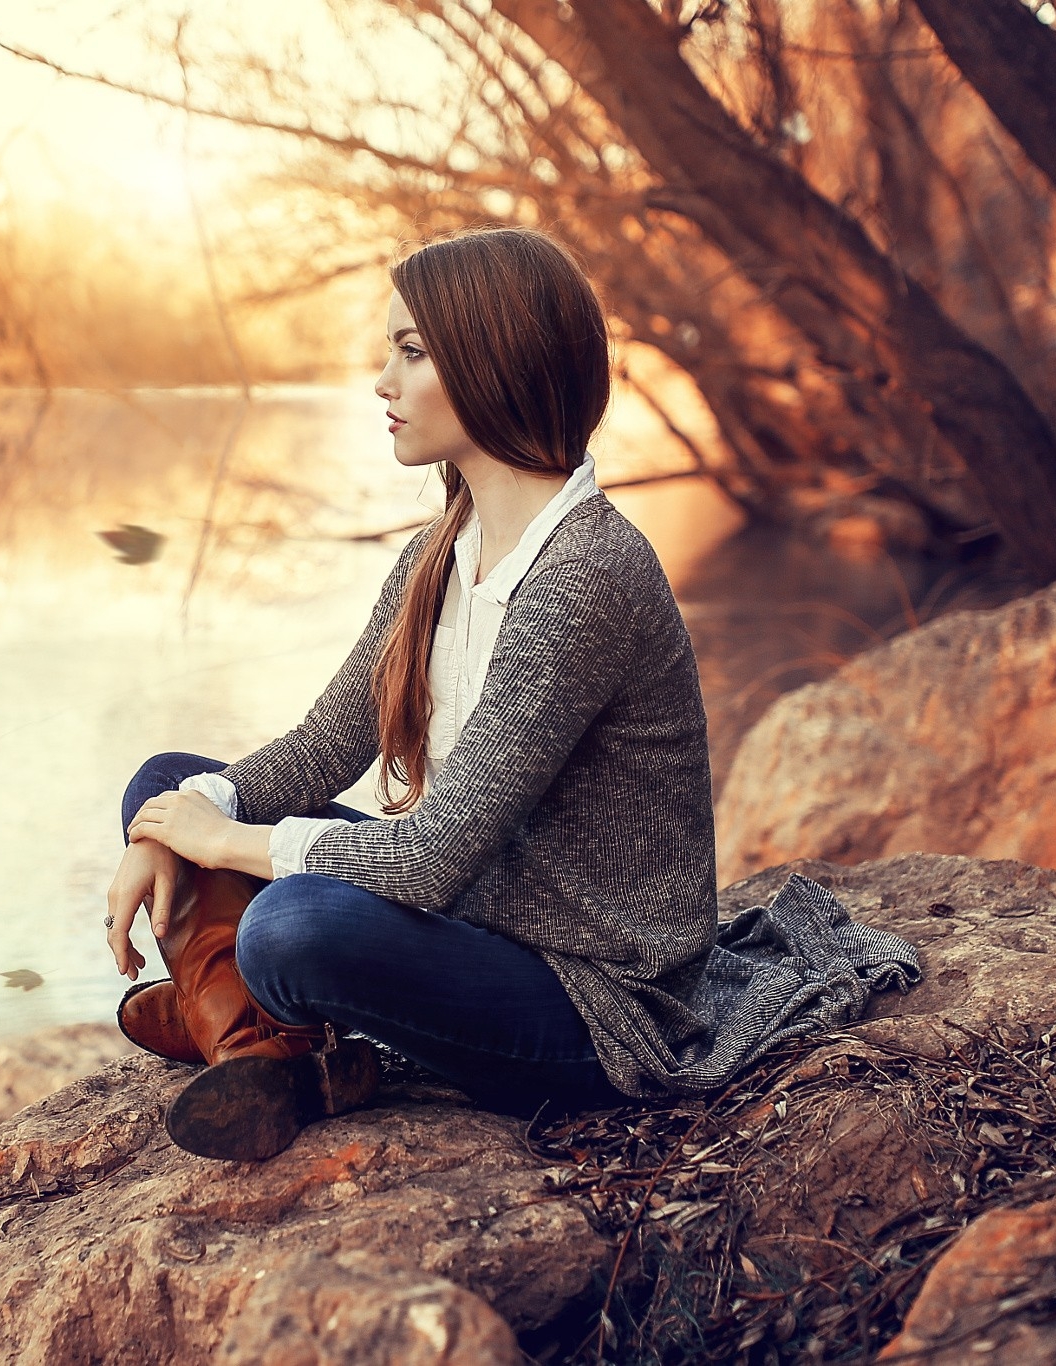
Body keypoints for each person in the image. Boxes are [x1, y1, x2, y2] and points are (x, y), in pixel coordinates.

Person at [106, 225, 920, 1163]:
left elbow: (429, 862)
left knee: (294, 927)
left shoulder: (587, 573)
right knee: (166, 781)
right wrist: (177, 824)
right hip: (475, 920)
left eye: (411, 353)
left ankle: (240, 1015)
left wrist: (226, 846)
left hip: (591, 992)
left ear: (493, 365)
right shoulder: (437, 556)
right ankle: (274, 1053)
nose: (381, 381)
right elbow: (326, 745)